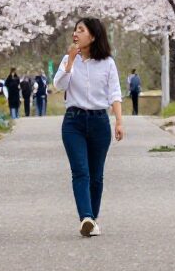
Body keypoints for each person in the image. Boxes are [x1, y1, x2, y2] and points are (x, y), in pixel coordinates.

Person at [53, 17, 124, 237]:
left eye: (81, 30)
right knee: (80, 171)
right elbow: (59, 85)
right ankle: (85, 217)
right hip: (73, 121)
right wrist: (70, 63)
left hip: (99, 122)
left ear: (92, 36)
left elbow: (114, 93)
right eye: (75, 30)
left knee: (96, 175)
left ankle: (92, 219)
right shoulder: (68, 59)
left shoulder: (107, 63)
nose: (75, 34)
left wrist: (119, 121)